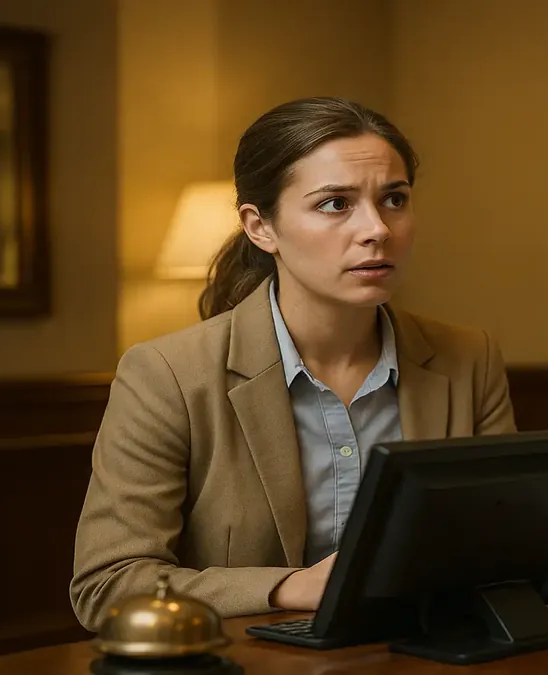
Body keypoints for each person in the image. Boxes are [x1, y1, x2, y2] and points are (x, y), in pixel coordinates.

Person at [70, 97, 516, 631]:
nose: (378, 229)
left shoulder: (469, 357)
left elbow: (507, 543)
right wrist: (287, 587)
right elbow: (107, 584)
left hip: (428, 650)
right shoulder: (164, 374)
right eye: (335, 203)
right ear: (261, 227)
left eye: (394, 199)